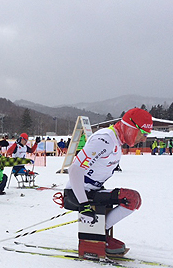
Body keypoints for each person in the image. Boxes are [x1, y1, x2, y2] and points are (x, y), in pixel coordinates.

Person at [63, 108, 153, 258]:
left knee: (133, 200)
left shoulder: (116, 140)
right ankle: (98, 234)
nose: (143, 139)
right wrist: (84, 204)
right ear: (130, 127)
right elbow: (74, 170)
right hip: (79, 192)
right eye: (142, 133)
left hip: (91, 189)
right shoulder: (104, 140)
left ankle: (100, 233)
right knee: (131, 198)